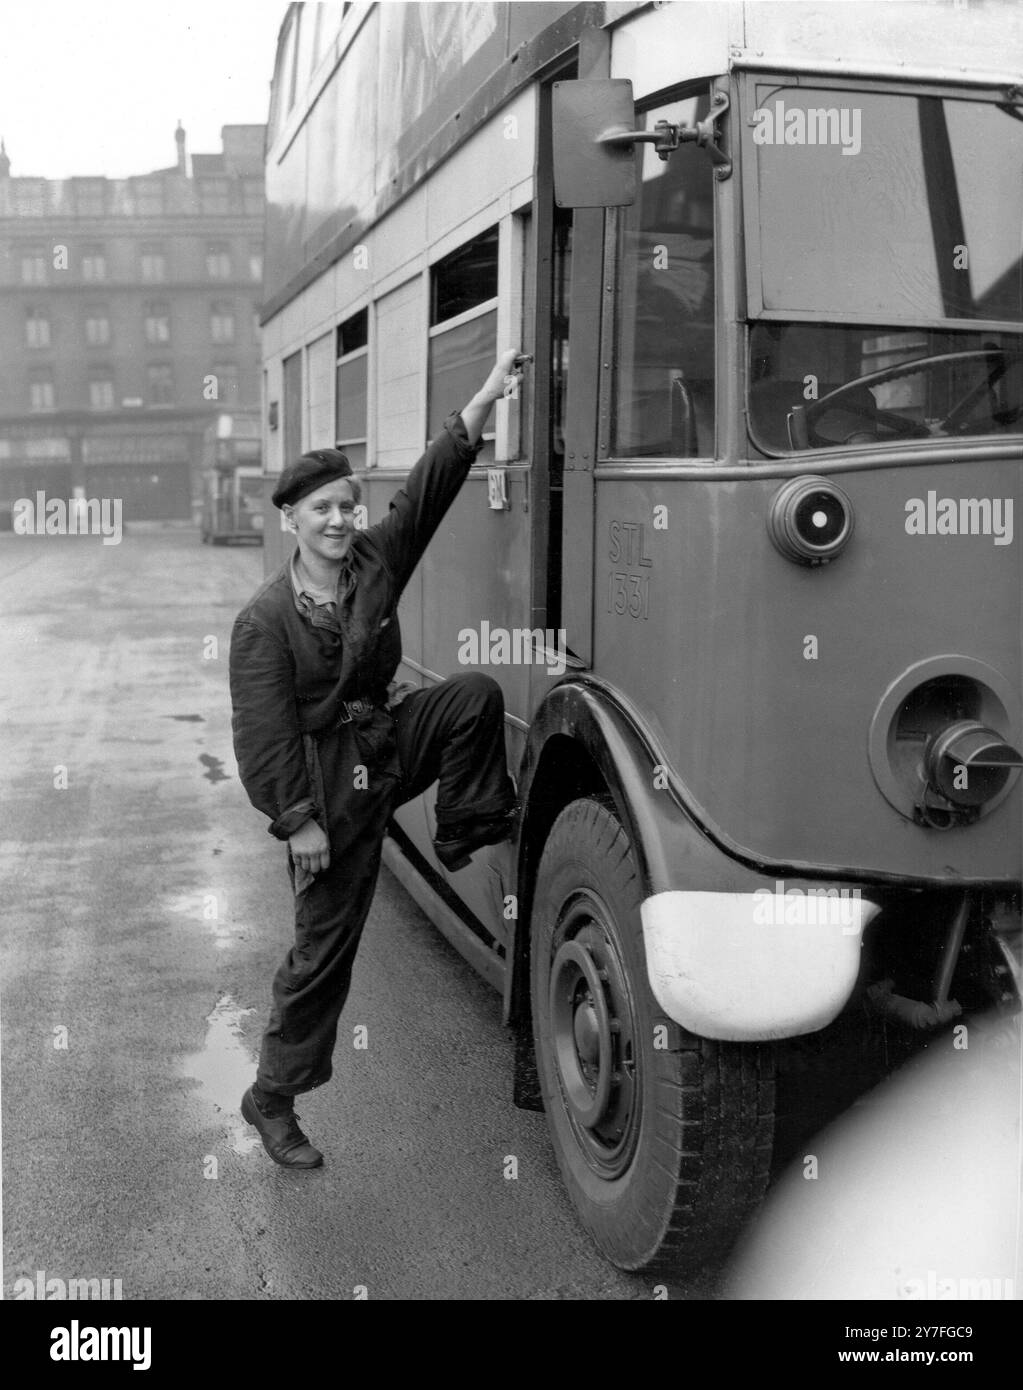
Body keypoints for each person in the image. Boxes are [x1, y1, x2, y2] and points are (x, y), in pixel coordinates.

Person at [230, 349, 522, 1168]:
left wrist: (486, 398)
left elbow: (427, 491)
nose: (337, 520)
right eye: (321, 508)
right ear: (290, 517)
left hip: (386, 744)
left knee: (471, 695)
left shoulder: (370, 563)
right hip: (327, 788)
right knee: (324, 955)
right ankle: (272, 1098)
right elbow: (263, 736)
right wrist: (297, 823)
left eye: (347, 506)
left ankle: (463, 828)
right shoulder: (266, 621)